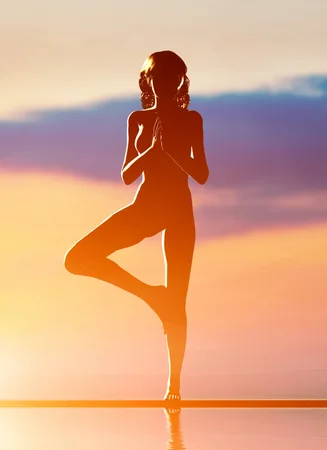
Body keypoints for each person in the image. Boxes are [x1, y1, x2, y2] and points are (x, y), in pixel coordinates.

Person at [64, 50, 210, 402]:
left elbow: (202, 174)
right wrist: (152, 151)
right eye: (157, 77)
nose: (164, 83)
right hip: (145, 207)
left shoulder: (192, 120)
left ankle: (174, 385)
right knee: (77, 259)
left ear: (179, 81)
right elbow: (128, 174)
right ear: (149, 81)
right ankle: (150, 295)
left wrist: (173, 153)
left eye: (172, 77)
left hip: (178, 212)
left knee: (178, 301)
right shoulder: (138, 120)